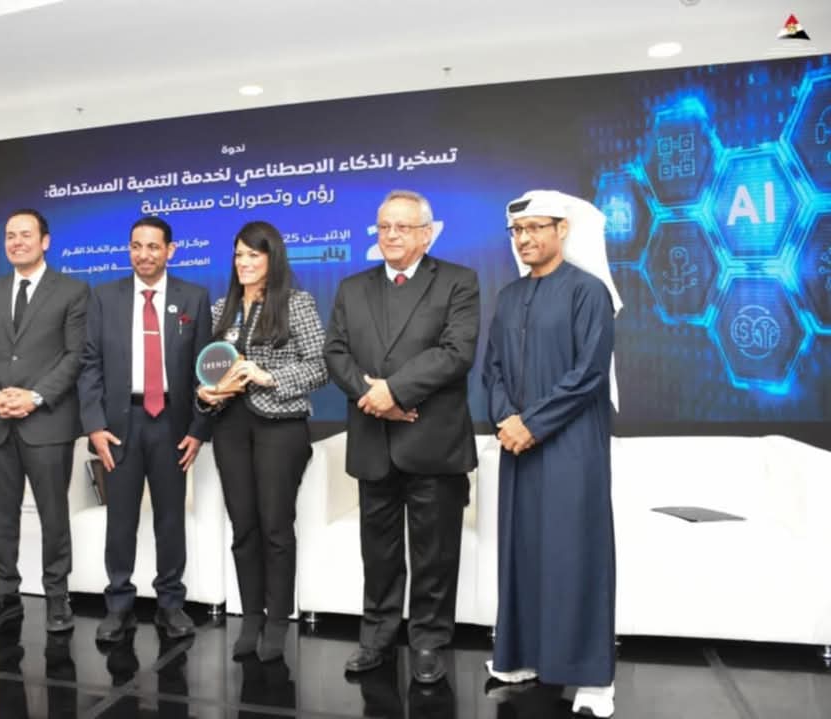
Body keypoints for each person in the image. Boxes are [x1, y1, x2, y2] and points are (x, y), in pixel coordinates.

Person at [324, 189, 480, 684]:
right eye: (384, 226)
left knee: (435, 553)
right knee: (379, 552)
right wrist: (372, 397)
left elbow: (456, 353)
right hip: (373, 440)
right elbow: (335, 353)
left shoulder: (458, 281)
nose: (390, 235)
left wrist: (393, 391)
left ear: (427, 234)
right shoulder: (352, 287)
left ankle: (429, 642)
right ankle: (377, 639)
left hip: (433, 442)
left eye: (403, 227)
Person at [481, 189, 619, 719]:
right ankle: (521, 657)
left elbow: (589, 374)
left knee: (575, 554)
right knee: (523, 549)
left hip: (571, 444)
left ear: (562, 230)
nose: (524, 238)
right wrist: (505, 419)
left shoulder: (588, 291)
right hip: (518, 443)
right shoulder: (509, 296)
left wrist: (531, 424)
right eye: (517, 230)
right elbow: (492, 369)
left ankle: (593, 679)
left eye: (536, 227)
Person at [196, 220, 328, 662]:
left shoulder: (296, 303)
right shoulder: (222, 308)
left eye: (253, 254)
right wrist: (206, 393)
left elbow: (320, 367)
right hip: (230, 426)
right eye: (239, 255)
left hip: (280, 426)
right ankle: (251, 617)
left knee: (275, 526)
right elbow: (207, 370)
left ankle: (277, 621)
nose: (244, 262)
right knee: (244, 527)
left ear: (273, 257)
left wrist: (268, 376)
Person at [77, 216, 212, 644]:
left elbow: (205, 370)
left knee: (170, 519)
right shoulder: (105, 297)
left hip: (172, 422)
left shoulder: (194, 297)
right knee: (121, 519)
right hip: (121, 424)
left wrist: (198, 428)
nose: (144, 254)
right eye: (136, 246)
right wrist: (94, 426)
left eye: (153, 246)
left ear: (170, 250)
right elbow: (89, 365)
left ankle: (171, 604)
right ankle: (119, 605)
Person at [0, 208, 89, 633]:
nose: (16, 242)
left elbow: (75, 355)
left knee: (54, 514)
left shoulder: (73, 291)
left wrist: (35, 397)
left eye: (25, 234)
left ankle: (57, 596)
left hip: (48, 422)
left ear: (45, 241)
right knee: (1, 515)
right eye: (9, 235)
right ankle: (4, 594)